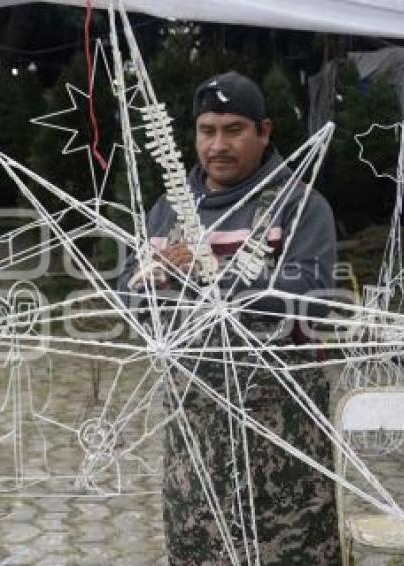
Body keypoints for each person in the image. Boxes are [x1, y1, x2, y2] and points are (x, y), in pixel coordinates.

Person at [119, 71, 339, 565]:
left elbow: (308, 297)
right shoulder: (166, 213)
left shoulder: (299, 208)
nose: (218, 144)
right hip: (194, 437)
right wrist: (146, 291)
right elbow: (131, 294)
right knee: (199, 551)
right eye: (207, 130)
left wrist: (207, 272)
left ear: (264, 132)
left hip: (282, 441)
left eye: (234, 129)